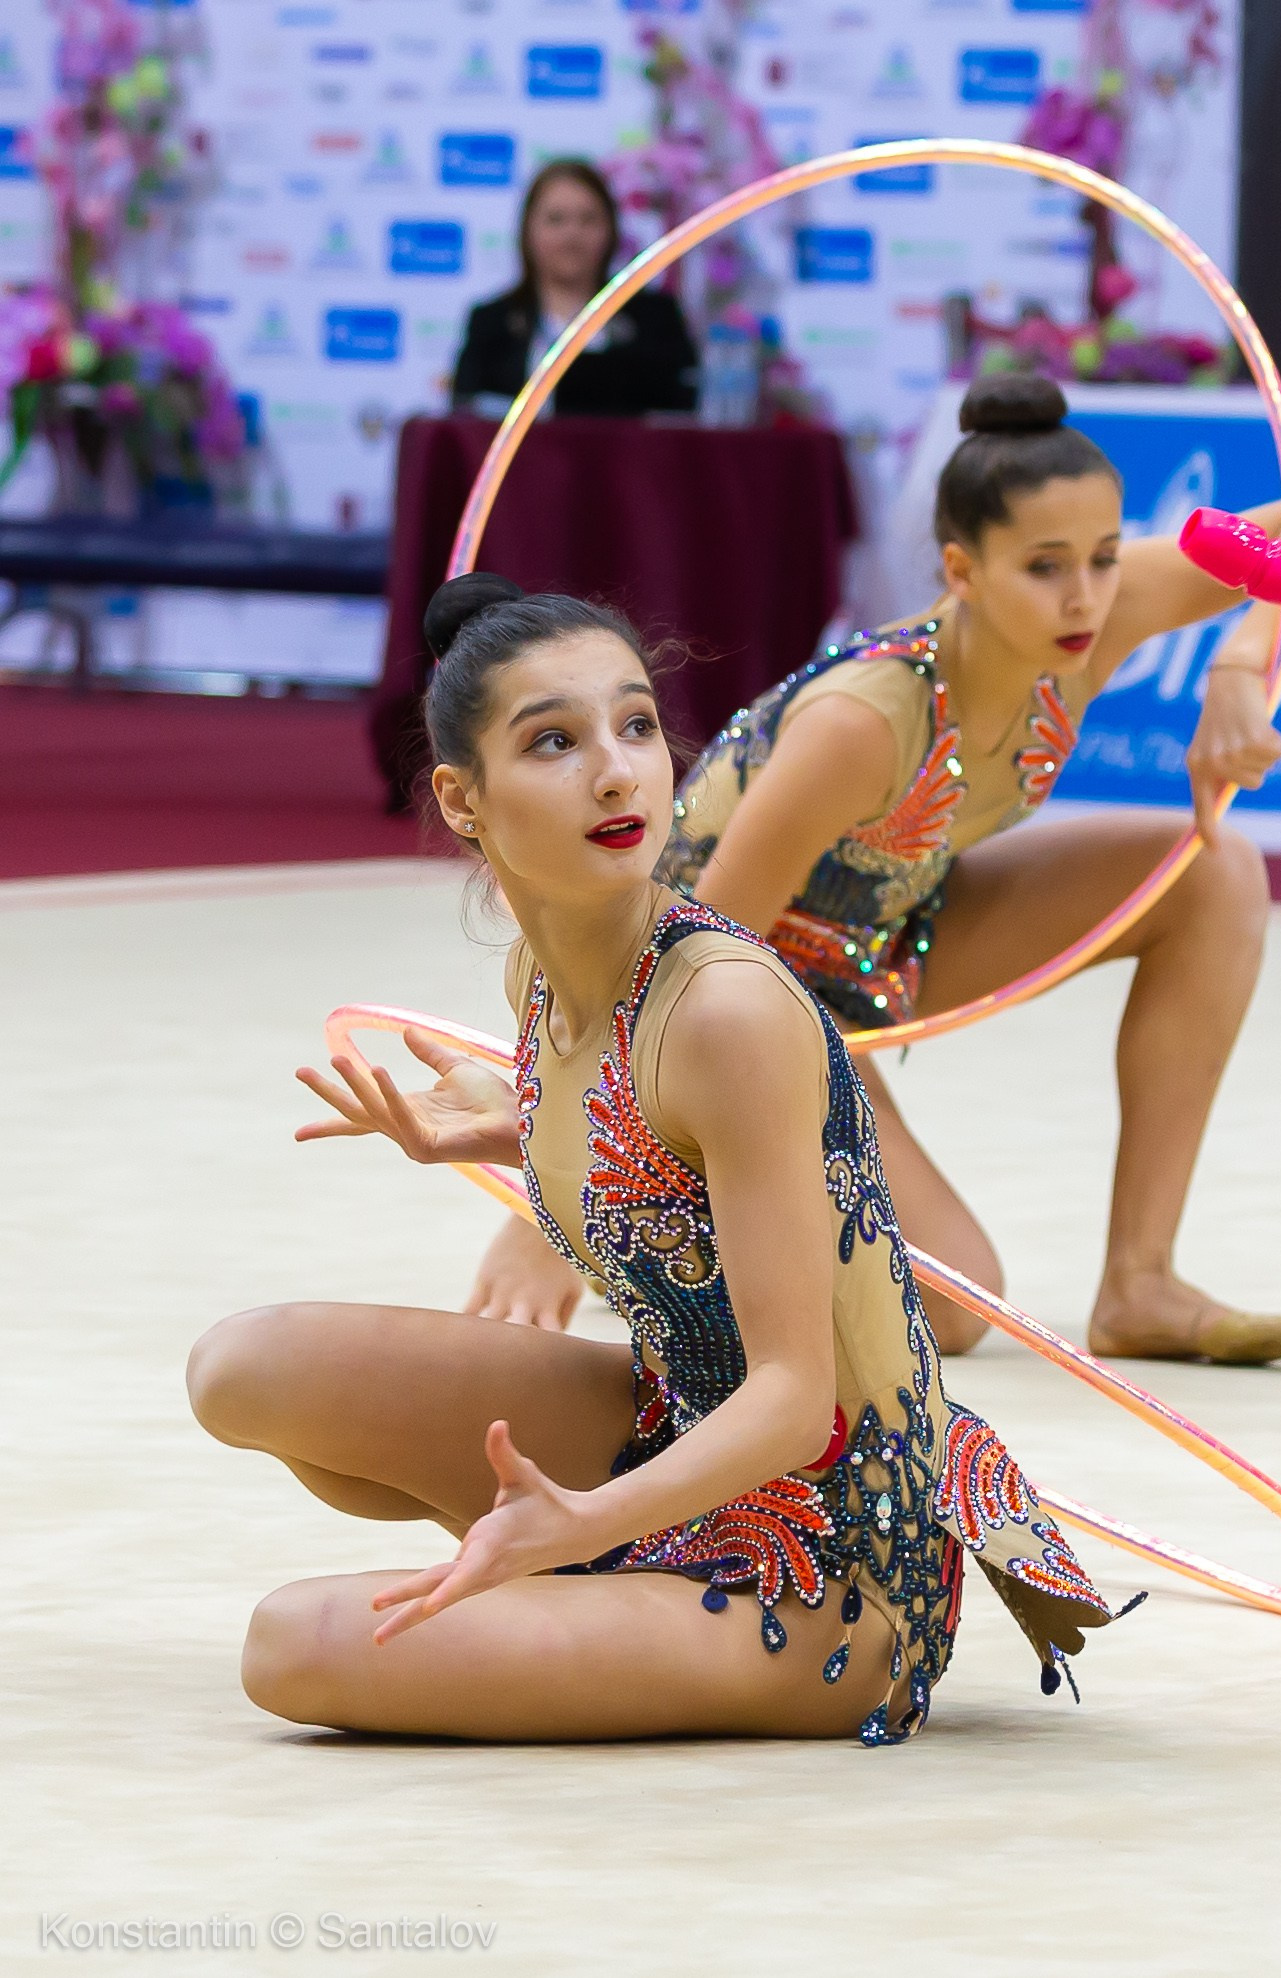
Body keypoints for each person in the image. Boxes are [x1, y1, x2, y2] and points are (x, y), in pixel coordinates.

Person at [184, 577, 1128, 1745]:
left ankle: (610, 1583)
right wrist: (504, 1121)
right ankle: (607, 1584)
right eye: (554, 741)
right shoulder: (542, 978)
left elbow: (792, 1397)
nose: (619, 770)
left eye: (635, 725)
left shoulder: (725, 1012)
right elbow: (662, 1162)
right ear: (462, 800)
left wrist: (577, 1522)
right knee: (243, 1367)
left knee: (294, 1643)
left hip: (828, 1556)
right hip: (672, 1427)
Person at [466, 373, 1281, 1367]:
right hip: (740, 987)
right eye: (1044, 566)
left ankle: (1140, 1281)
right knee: (951, 1305)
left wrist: (1240, 671)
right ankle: (675, 1227)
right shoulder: (863, 722)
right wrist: (556, 1203)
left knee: (1214, 874)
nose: (1084, 594)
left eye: (1099, 556)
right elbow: (689, 947)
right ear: (961, 569)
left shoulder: (1092, 618)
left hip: (885, 937)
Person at [451, 159, 697, 418]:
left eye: (588, 219)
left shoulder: (656, 318)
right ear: (528, 230)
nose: (572, 235)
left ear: (611, 229)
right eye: (556, 220)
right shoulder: (492, 322)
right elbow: (467, 419)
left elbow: (681, 414)